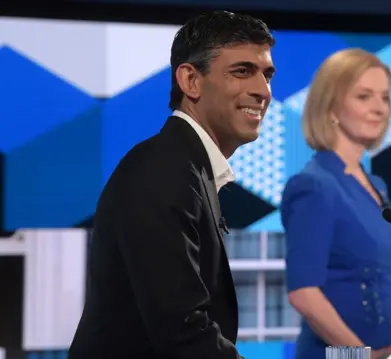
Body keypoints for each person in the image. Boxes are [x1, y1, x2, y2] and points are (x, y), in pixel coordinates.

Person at [68, 11, 276, 359]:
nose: (262, 90)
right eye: (242, 71)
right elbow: (182, 331)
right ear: (190, 81)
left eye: (267, 75)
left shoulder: (186, 166)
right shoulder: (162, 171)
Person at [281, 48, 391, 359]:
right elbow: (303, 293)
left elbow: (388, 285)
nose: (379, 108)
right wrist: (361, 356)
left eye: (385, 98)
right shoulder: (313, 186)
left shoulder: (377, 186)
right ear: (331, 105)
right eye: (364, 96)